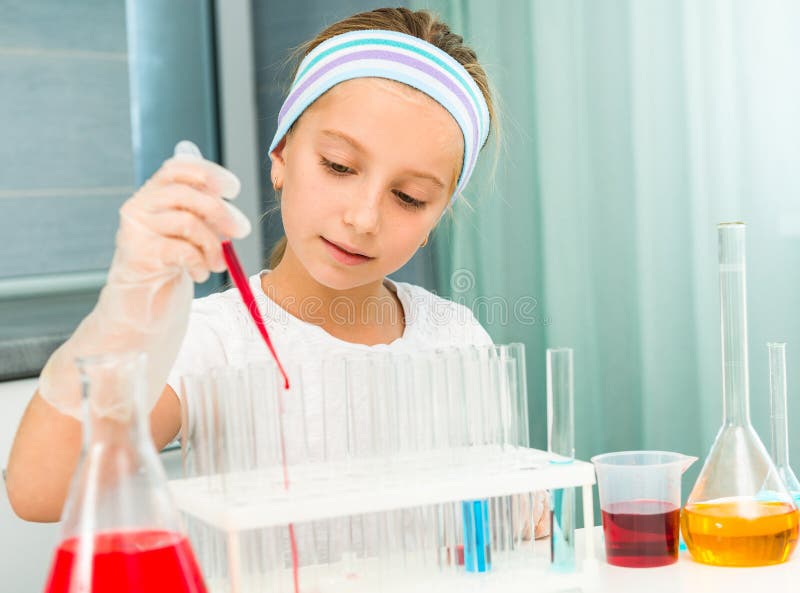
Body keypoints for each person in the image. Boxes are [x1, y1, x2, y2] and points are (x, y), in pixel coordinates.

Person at [5, 7, 548, 538]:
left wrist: (530, 519)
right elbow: (40, 493)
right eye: (338, 166)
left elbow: (511, 525)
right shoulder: (214, 342)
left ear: (436, 218)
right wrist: (122, 311)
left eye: (409, 197)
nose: (363, 218)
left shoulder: (456, 338)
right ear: (282, 154)